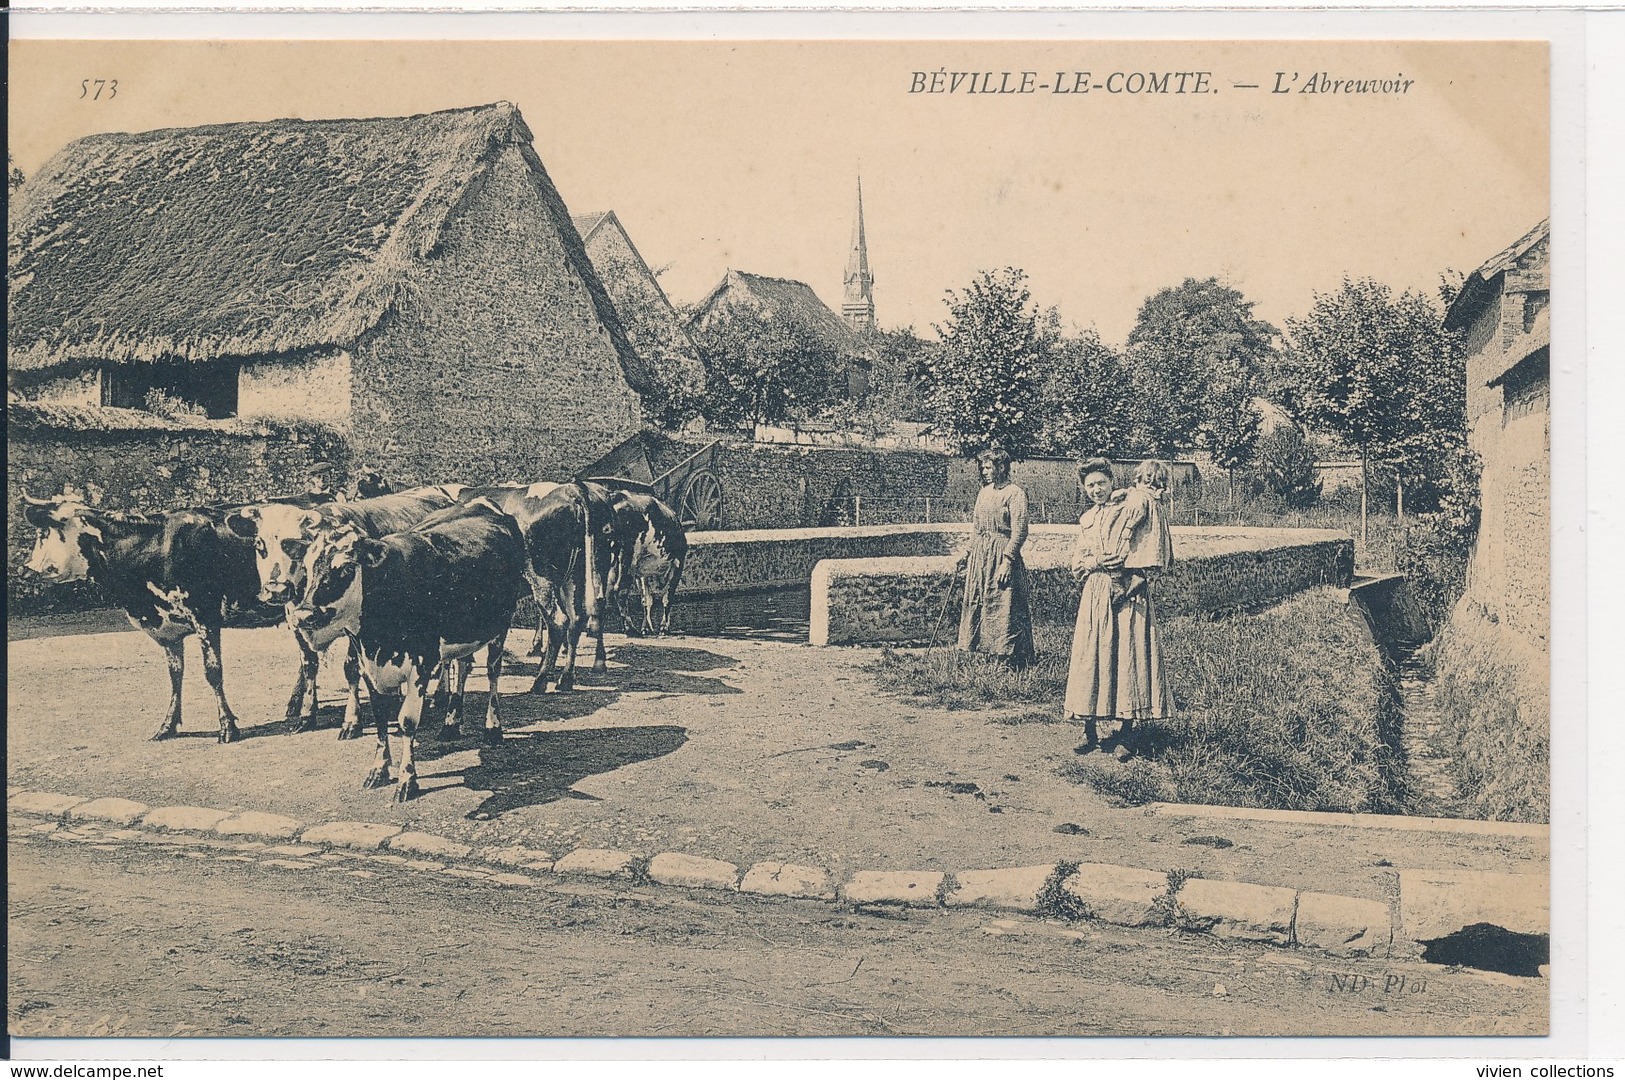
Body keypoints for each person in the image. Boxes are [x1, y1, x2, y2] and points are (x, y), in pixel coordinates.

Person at [1064, 458, 1174, 760]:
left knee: (1127, 656)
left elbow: (1143, 549)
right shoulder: (1086, 520)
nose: (1096, 489)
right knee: (1091, 658)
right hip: (1096, 592)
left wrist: (1127, 573)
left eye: (1101, 483)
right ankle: (1089, 729)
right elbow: (1077, 563)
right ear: (1084, 490)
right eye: (1090, 485)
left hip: (1127, 591)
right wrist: (1093, 562)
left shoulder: (1129, 508)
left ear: (1112, 481)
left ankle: (1126, 731)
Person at [951, 447, 1035, 668]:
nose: (984, 471)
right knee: (982, 601)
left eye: (988, 467)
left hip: (1002, 553)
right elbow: (977, 529)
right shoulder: (984, 493)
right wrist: (967, 553)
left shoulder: (1015, 493)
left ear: (1002, 467)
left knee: (1004, 603)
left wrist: (1008, 561)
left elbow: (1020, 531)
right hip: (981, 554)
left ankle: (1008, 656)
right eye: (983, 467)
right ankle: (987, 651)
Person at [1107, 458, 1175, 606]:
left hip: (1138, 537)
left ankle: (1122, 587)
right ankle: (1139, 580)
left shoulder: (1139, 496)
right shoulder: (1155, 498)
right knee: (1142, 563)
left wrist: (1127, 529)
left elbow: (1137, 513)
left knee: (1121, 556)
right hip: (1152, 541)